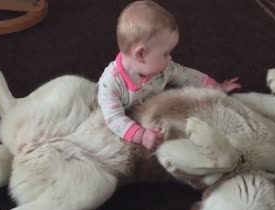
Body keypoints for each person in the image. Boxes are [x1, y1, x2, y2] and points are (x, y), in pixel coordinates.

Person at [98, 0, 241, 151]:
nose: (170, 58)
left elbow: (187, 76)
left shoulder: (164, 69)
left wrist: (216, 87)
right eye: (165, 53)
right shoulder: (111, 83)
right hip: (123, 113)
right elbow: (113, 118)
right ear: (141, 54)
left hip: (149, 108)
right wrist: (142, 135)